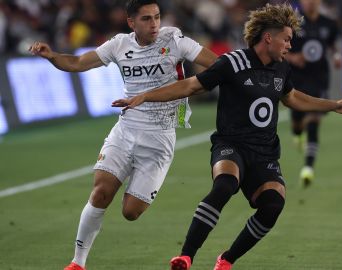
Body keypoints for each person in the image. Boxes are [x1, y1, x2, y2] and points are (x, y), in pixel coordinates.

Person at [112, 4, 342, 270]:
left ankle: (226, 260)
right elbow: (190, 85)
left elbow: (294, 99)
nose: (290, 45)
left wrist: (334, 104)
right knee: (224, 185)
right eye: (287, 39)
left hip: (264, 152)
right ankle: (186, 256)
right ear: (269, 37)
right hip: (230, 145)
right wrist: (144, 96)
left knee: (273, 205)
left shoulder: (281, 70)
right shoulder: (232, 63)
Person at [29, 1, 217, 270]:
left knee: (131, 212)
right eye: (146, 19)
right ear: (131, 22)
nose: (154, 24)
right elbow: (78, 62)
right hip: (126, 129)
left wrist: (194, 86)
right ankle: (77, 263)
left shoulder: (174, 39)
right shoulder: (119, 44)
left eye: (157, 17)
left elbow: (217, 65)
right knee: (101, 191)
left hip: (160, 136)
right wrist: (52, 56)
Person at [284, 0, 342, 187]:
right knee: (298, 123)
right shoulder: (294, 24)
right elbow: (282, 47)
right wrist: (293, 58)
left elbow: (333, 46)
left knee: (315, 119)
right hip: (297, 77)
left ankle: (308, 168)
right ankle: (298, 133)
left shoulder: (328, 24)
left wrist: (336, 57)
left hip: (319, 78)